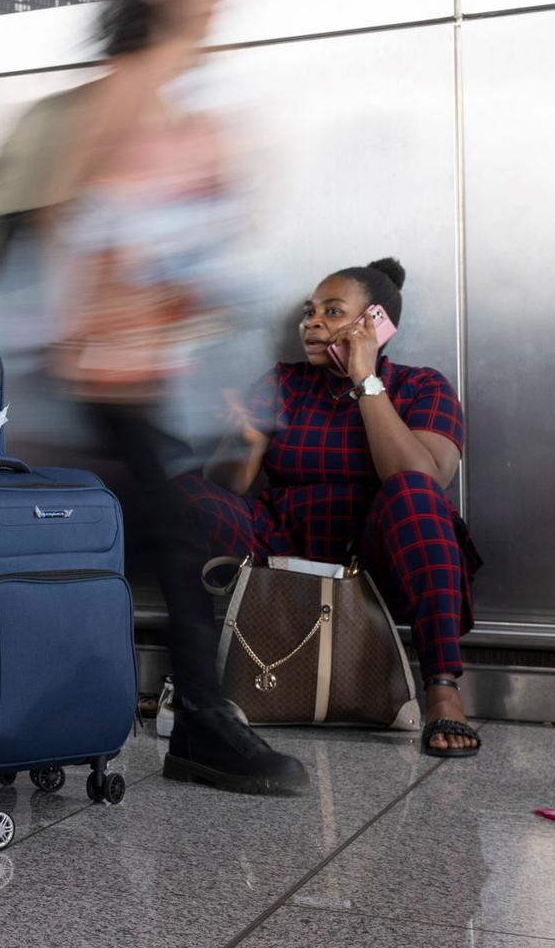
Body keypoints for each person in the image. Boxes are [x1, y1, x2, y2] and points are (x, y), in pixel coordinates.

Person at [38, 0, 310, 794]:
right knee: (169, 529)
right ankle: (198, 719)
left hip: (144, 366)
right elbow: (60, 214)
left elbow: (200, 229)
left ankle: (163, 713)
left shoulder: (181, 94)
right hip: (99, 368)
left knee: (155, 533)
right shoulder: (129, 85)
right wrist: (122, 280)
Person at [183, 258, 483, 757]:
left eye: (332, 311)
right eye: (309, 312)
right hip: (282, 555)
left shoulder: (422, 387)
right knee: (184, 494)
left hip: (376, 563)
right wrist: (243, 435)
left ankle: (443, 690)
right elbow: (229, 488)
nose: (312, 323)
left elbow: (422, 477)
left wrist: (367, 381)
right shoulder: (284, 381)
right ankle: (190, 677)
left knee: (412, 492)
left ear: (375, 322)